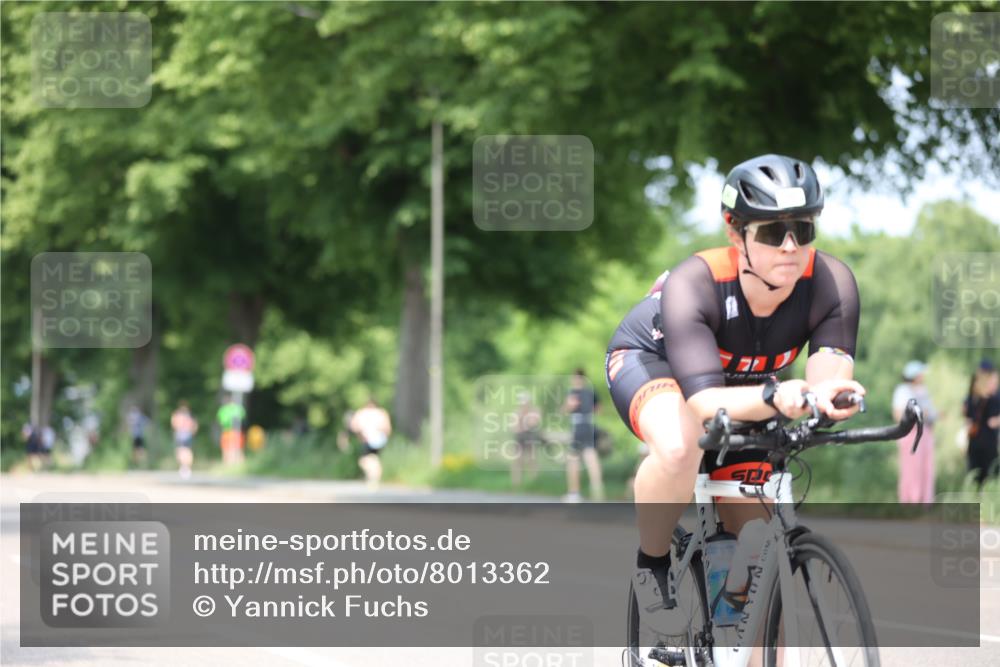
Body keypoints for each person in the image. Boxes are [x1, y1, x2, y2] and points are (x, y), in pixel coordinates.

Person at [605, 154, 863, 646]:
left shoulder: (832, 284)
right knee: (683, 445)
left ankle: (737, 608)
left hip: (752, 386)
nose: (791, 246)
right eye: (772, 232)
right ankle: (653, 564)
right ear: (734, 230)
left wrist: (831, 393)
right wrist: (777, 394)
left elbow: (828, 370)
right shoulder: (695, 283)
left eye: (803, 230)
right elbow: (703, 404)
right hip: (658, 364)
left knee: (765, 572)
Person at [892, 360, 938, 504]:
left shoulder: (922, 390)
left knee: (927, 469)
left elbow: (930, 413)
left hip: (925, 433)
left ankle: (925, 502)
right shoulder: (903, 391)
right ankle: (910, 502)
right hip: (910, 435)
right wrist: (919, 413)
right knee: (911, 469)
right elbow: (898, 415)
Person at [561, 369, 605, 502]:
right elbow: (599, 409)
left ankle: (574, 493)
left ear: (576, 378)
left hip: (579, 426)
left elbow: (567, 409)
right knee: (591, 456)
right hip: (590, 424)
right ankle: (597, 490)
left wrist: (568, 407)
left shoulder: (573, 392)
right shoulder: (591, 392)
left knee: (573, 459)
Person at [963, 359, 1000, 488]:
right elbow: (992, 422)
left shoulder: (972, 398)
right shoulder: (992, 398)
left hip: (976, 441)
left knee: (978, 478)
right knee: (989, 476)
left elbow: (967, 418)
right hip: (986, 442)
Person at [349, 397, 392, 490]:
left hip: (367, 439)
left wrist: (360, 434)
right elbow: (388, 428)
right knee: (374, 458)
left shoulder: (362, 413)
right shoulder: (381, 413)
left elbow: (353, 426)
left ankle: (372, 476)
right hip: (380, 440)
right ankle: (375, 477)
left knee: (364, 460)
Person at [511, 391, 542, 487]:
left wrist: (524, 421)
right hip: (520, 437)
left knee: (531, 459)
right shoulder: (517, 412)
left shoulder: (535, 410)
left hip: (530, 436)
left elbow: (534, 423)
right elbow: (514, 427)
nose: (523, 404)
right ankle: (516, 483)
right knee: (517, 460)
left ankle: (533, 481)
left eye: (525, 401)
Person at [171, 400, 199, 479]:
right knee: (187, 450)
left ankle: (184, 467)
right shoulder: (190, 415)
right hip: (188, 434)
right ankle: (186, 467)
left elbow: (173, 423)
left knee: (181, 451)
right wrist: (192, 431)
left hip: (180, 434)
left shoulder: (177, 414)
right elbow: (195, 425)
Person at [217, 394, 247, 465]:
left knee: (226, 449)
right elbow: (243, 417)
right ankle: (240, 464)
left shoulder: (223, 409)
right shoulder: (239, 408)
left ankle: (228, 464)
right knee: (238, 449)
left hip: (228, 431)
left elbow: (221, 421)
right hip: (237, 431)